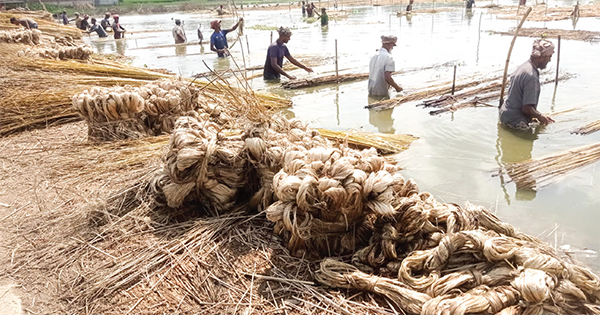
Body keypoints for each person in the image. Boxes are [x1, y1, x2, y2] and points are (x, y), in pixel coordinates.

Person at [498, 39, 555, 131]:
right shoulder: (532, 77)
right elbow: (527, 108)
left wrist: (536, 116)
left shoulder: (523, 67)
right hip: (514, 120)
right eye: (549, 56)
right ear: (540, 57)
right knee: (531, 138)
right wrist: (541, 117)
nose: (549, 60)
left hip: (504, 114)